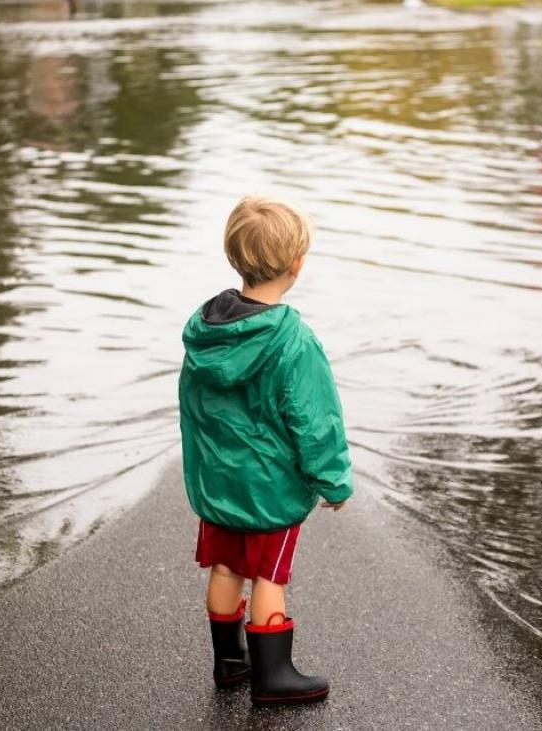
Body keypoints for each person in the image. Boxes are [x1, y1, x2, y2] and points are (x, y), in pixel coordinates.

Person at [178, 195, 353, 705]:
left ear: (235, 256)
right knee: (268, 575)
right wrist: (333, 481)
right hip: (268, 491)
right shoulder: (292, 341)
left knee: (226, 567)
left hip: (219, 482)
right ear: (297, 264)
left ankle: (230, 662)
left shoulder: (206, 332)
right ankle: (273, 676)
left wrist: (205, 465)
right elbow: (315, 421)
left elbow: (194, 405)